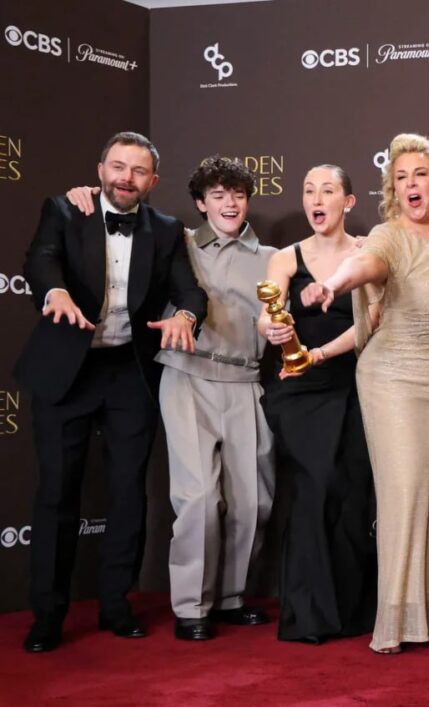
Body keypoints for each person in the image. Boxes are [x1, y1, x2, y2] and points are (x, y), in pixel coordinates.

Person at [63, 156, 276, 642]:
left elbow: (322, 256)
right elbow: (115, 215)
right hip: (187, 376)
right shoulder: (171, 241)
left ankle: (231, 598)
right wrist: (84, 197)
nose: (229, 203)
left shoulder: (272, 257)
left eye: (238, 195)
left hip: (245, 381)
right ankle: (192, 607)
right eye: (217, 195)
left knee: (253, 501)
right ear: (201, 203)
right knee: (198, 497)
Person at [15, 131, 207, 653]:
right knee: (57, 494)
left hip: (130, 373)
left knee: (128, 494)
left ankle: (117, 606)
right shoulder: (65, 209)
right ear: (100, 169)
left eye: (138, 171)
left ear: (152, 181)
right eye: (118, 167)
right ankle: (48, 615)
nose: (126, 178)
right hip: (67, 371)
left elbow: (188, 288)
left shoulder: (166, 229)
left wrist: (187, 315)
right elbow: (41, 259)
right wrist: (53, 290)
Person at [301, 134, 429, 654]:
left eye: (419, 175)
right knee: (405, 499)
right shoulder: (387, 235)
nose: (409, 185)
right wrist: (332, 285)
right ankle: (400, 620)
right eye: (400, 178)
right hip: (396, 383)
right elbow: (366, 267)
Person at [258, 164, 378, 644]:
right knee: (314, 487)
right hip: (298, 390)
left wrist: (321, 354)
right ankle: (308, 614)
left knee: (350, 492)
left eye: (328, 190)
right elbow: (267, 316)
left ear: (348, 202)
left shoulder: (368, 251)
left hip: (352, 384)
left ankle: (352, 612)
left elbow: (372, 317)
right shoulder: (285, 259)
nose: (316, 198)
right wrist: (273, 331)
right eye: (309, 190)